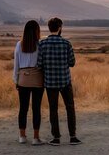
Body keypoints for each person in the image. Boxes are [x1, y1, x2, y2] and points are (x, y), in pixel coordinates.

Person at [37, 17, 81, 146]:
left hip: (50, 83)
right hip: (65, 81)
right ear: (60, 28)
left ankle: (56, 138)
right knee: (70, 108)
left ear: (49, 28)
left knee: (53, 109)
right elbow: (72, 63)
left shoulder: (42, 44)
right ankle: (73, 136)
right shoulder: (66, 43)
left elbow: (39, 64)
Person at [13, 20, 45, 145]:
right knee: (36, 108)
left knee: (23, 108)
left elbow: (16, 65)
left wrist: (16, 80)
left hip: (23, 79)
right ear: (37, 31)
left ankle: (22, 136)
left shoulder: (19, 45)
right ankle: (36, 138)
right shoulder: (40, 45)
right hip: (37, 79)